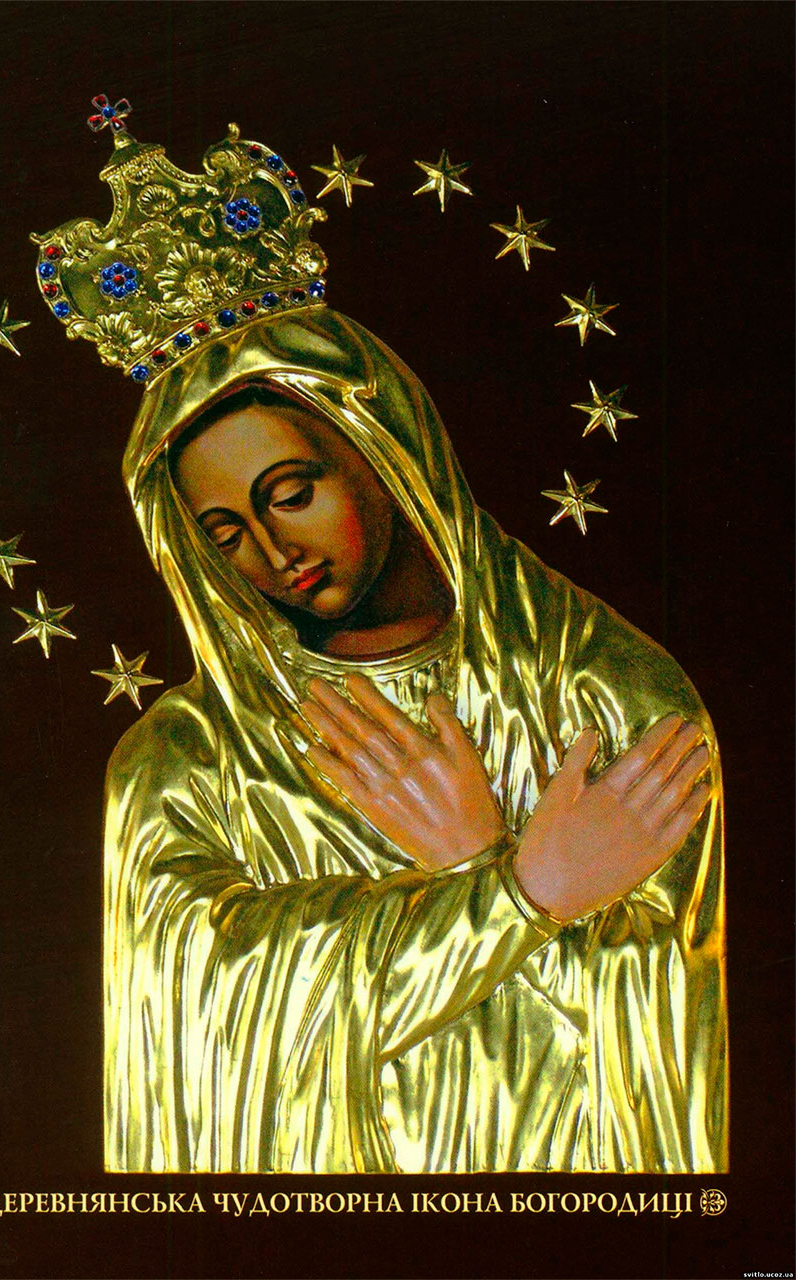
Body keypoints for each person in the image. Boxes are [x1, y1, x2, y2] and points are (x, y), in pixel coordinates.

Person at [102, 305, 727, 1174]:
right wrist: (518, 889)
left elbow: (671, 1028)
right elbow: (192, 1034)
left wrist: (476, 860)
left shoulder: (607, 692)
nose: (276, 551)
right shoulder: (185, 760)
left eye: (291, 494)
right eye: (227, 533)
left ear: (389, 451)